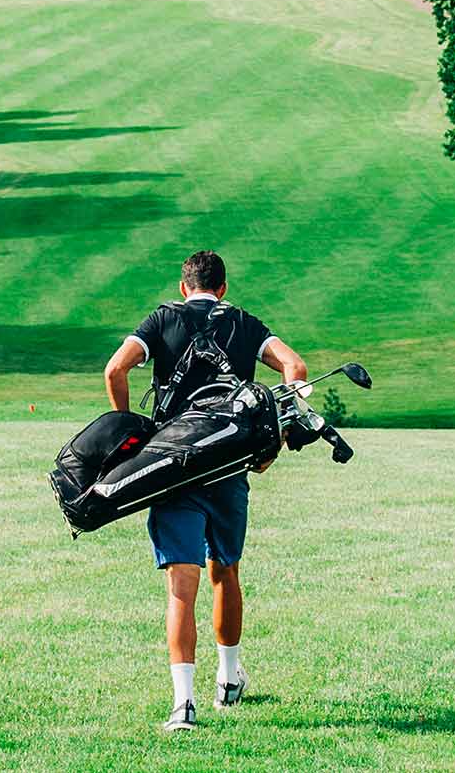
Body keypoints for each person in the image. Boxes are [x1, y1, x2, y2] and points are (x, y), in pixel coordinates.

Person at [102, 250, 307, 732]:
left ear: (183, 287)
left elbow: (115, 370)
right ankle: (229, 679)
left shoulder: (160, 320)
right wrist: (275, 436)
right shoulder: (243, 322)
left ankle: (183, 706)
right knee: (226, 571)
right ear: (223, 288)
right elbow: (294, 368)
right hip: (229, 467)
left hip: (173, 470)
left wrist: (133, 433)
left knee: (181, 586)